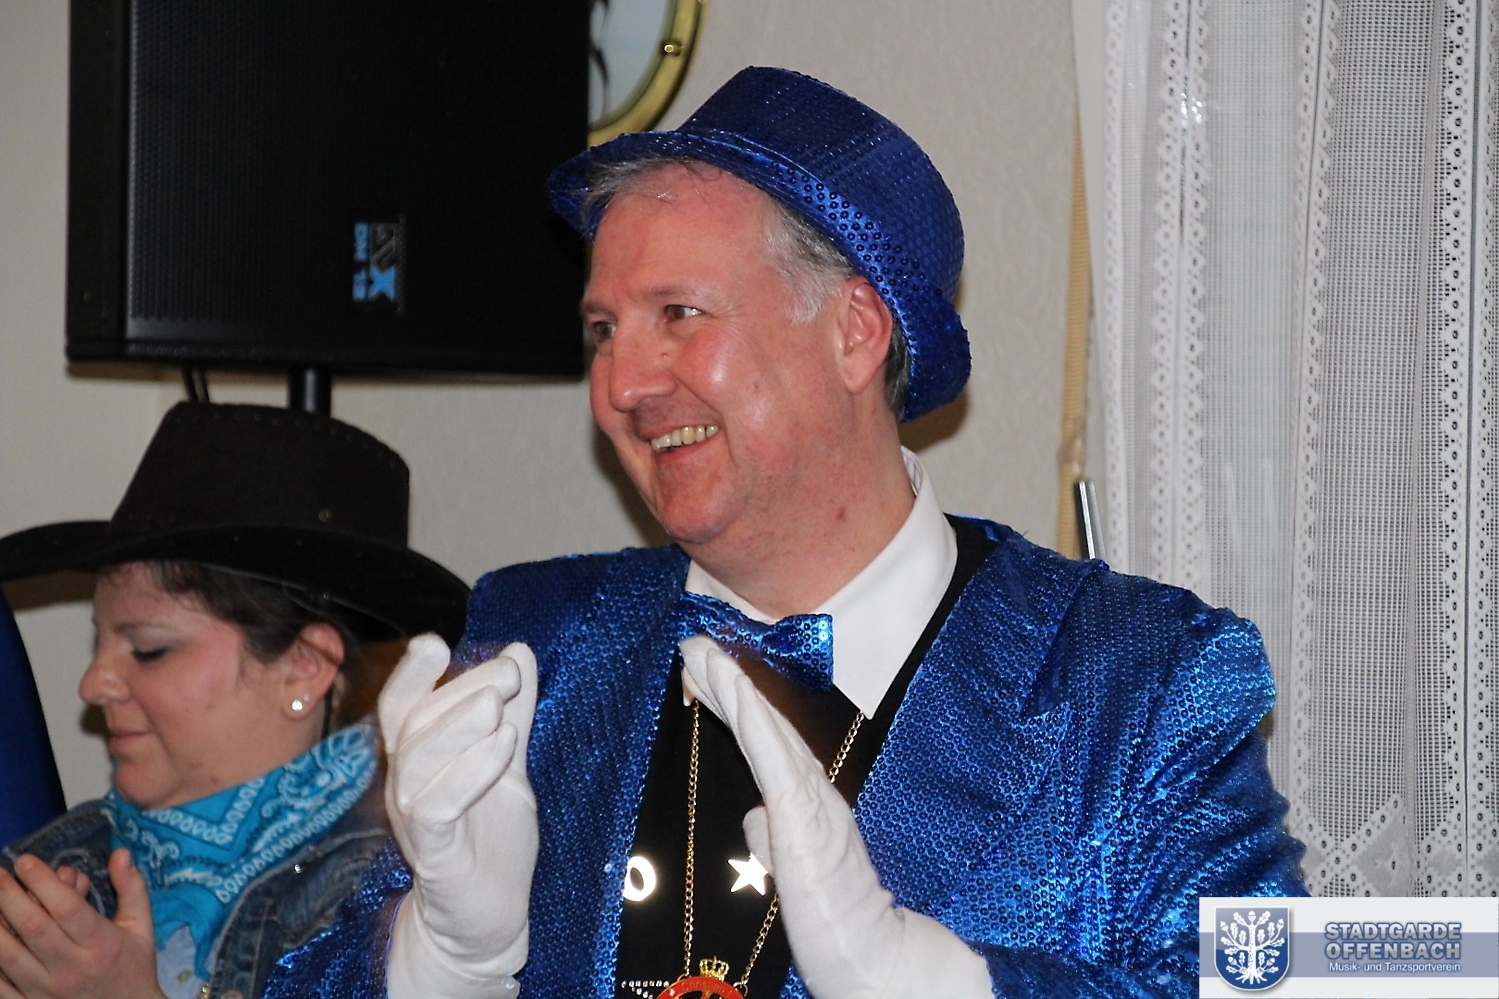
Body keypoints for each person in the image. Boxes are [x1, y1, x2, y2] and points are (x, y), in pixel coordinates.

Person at [267, 67, 1308, 999]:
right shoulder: (538, 643)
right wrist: (440, 954)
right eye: (603, 329)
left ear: (853, 333)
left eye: (678, 314)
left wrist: (924, 982)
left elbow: (1327, 975)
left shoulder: (1142, 677)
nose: (621, 384)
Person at [0, 402, 470, 999]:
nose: (92, 684)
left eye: (148, 650)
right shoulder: (62, 860)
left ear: (303, 670)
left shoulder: (394, 899)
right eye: (100, 642)